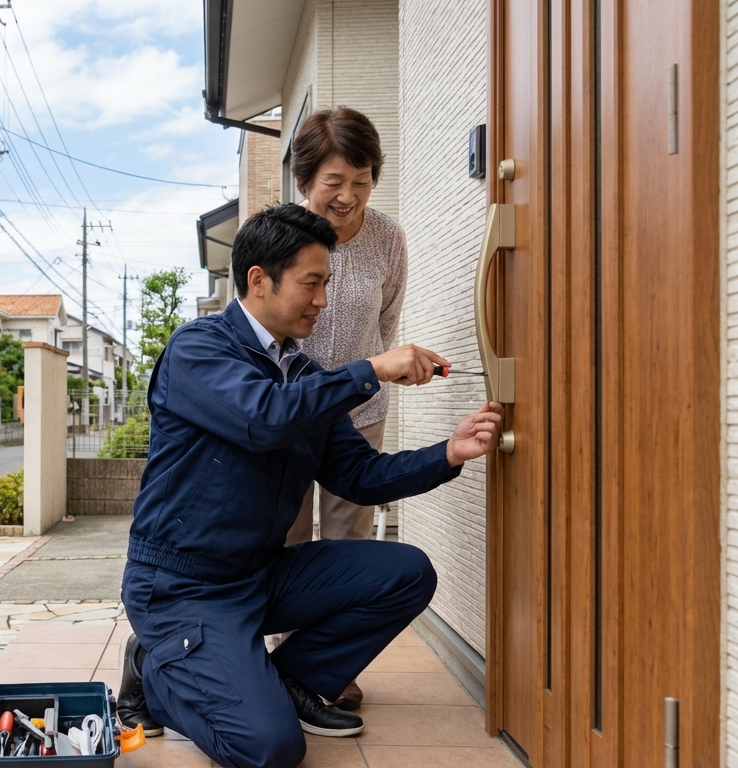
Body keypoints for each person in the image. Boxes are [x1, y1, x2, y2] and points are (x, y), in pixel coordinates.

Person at [115, 203, 502, 768]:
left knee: (405, 572)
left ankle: (290, 679)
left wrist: (448, 452)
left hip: (260, 573)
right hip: (181, 586)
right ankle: (155, 671)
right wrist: (371, 369)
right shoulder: (198, 350)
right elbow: (264, 419)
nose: (323, 300)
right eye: (312, 283)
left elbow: (360, 477)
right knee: (270, 748)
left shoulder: (306, 377)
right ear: (258, 280)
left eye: (327, 283)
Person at [277, 106, 410, 712]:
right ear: (307, 180)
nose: (348, 196)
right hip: (286, 412)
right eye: (335, 182)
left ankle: (327, 662)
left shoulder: (388, 238)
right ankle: (276, 656)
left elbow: (384, 325)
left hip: (357, 415)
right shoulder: (276, 235)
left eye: (361, 181)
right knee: (282, 533)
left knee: (347, 541)